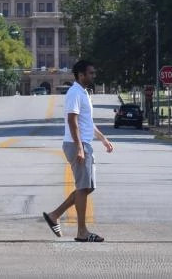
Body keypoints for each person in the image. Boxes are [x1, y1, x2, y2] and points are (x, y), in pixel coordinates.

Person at [42, 60, 114, 243]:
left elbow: (86, 123)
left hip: (83, 143)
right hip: (77, 144)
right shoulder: (74, 92)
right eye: (90, 73)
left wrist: (103, 139)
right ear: (81, 74)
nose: (93, 76)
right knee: (83, 187)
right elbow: (72, 121)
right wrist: (80, 147)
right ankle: (82, 231)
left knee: (88, 187)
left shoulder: (84, 93)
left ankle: (54, 215)